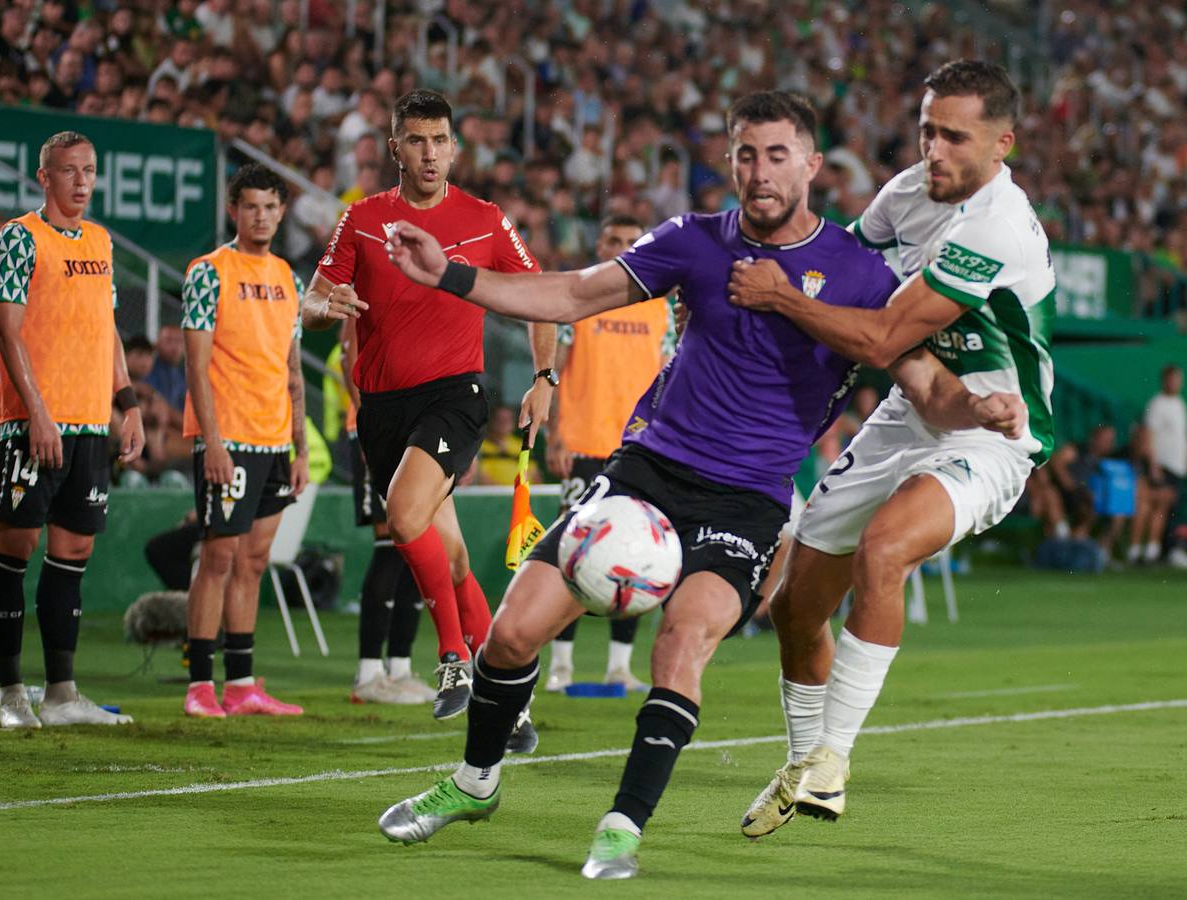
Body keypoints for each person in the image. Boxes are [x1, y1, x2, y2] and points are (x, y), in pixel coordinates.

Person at [373, 90, 1026, 878]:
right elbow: (578, 293)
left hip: (745, 501)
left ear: (812, 165)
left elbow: (921, 380)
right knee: (511, 633)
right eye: (745, 154)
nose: (760, 172)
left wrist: (978, 406)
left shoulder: (860, 273)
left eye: (778, 155)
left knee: (683, 647)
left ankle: (622, 825)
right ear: (729, 160)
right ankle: (476, 784)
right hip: (644, 470)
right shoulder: (692, 240)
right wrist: (451, 274)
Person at [728, 60, 1055, 836]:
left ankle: (833, 758)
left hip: (991, 428)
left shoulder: (996, 226)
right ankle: (805, 767)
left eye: (955, 137)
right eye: (926, 131)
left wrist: (779, 294)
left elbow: (878, 334)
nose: (934, 150)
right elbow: (840, 270)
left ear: (1003, 143)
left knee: (884, 550)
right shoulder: (909, 191)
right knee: (793, 607)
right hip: (911, 410)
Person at [302, 89, 556, 720]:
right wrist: (318, 309)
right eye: (416, 140)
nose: (430, 153)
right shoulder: (360, 218)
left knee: (403, 513)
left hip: (455, 395)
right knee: (455, 554)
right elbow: (312, 299)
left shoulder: (485, 219)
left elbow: (541, 296)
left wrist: (544, 376)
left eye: (440, 140)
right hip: (382, 406)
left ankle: (451, 658)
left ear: (455, 147)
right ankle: (513, 700)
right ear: (395, 148)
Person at [0, 130, 145, 729]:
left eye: (89, 171)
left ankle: (61, 693)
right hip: (35, 424)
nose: (81, 181)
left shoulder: (99, 242)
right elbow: (7, 331)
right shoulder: (18, 239)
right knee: (16, 548)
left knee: (72, 551)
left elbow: (107, 333)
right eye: (69, 171)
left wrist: (127, 406)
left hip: (89, 426)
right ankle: (10, 693)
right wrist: (38, 412)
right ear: (43, 177)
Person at [178, 164, 309, 718]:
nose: (260, 215)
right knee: (219, 557)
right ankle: (199, 686)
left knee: (254, 561)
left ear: (281, 212)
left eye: (270, 206)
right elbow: (196, 364)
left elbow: (293, 369)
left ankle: (242, 685)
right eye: (250, 206)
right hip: (227, 436)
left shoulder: (288, 277)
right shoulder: (209, 271)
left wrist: (300, 446)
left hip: (275, 439)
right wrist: (211, 442)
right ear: (234, 210)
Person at [543, 213, 677, 694]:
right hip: (581, 442)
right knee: (571, 553)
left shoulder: (660, 308)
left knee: (639, 552)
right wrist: (554, 434)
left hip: (641, 448)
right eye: (613, 239)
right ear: (599, 244)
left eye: (629, 240)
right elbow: (555, 369)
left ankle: (619, 666)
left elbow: (669, 378)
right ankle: (561, 663)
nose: (621, 247)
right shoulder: (583, 298)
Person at [342, 318, 435, 706]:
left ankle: (399, 666)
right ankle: (368, 671)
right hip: (379, 429)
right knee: (387, 545)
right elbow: (349, 356)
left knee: (414, 547)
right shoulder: (367, 284)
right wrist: (370, 422)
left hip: (418, 432)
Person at [1135, 364, 1187, 565]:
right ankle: (1141, 550)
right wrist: (1153, 465)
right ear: (1164, 380)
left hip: (1177, 466)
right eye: (1172, 379)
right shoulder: (1157, 403)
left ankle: (1154, 550)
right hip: (1162, 465)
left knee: (1165, 508)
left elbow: (1183, 435)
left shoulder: (1180, 404)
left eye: (1178, 379)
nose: (1175, 383)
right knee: (1154, 505)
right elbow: (1148, 435)